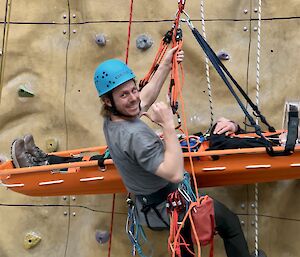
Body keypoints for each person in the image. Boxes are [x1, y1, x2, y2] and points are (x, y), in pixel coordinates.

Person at [94, 46, 266, 257]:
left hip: (155, 206)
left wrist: (166, 65)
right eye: (124, 95)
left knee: (184, 248)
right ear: (108, 101)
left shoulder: (113, 119)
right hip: (168, 206)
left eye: (133, 90)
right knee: (228, 223)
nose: (133, 98)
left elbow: (144, 100)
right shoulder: (135, 135)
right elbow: (174, 172)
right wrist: (167, 124)